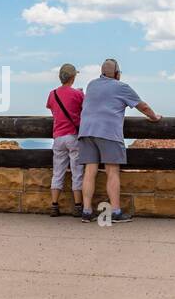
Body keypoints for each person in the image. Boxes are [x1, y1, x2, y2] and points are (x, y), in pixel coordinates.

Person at [77, 59, 160, 223]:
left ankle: (86, 212)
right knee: (112, 172)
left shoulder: (92, 84)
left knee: (89, 172)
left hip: (86, 131)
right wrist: (154, 117)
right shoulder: (121, 87)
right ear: (117, 73)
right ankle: (115, 211)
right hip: (108, 132)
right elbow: (142, 106)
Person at [46, 63, 84, 216]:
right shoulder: (78, 94)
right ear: (73, 77)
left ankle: (54, 205)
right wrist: (80, 93)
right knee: (77, 171)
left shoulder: (52, 94)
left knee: (58, 172)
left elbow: (53, 109)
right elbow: (84, 108)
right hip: (73, 136)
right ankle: (78, 206)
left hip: (58, 137)